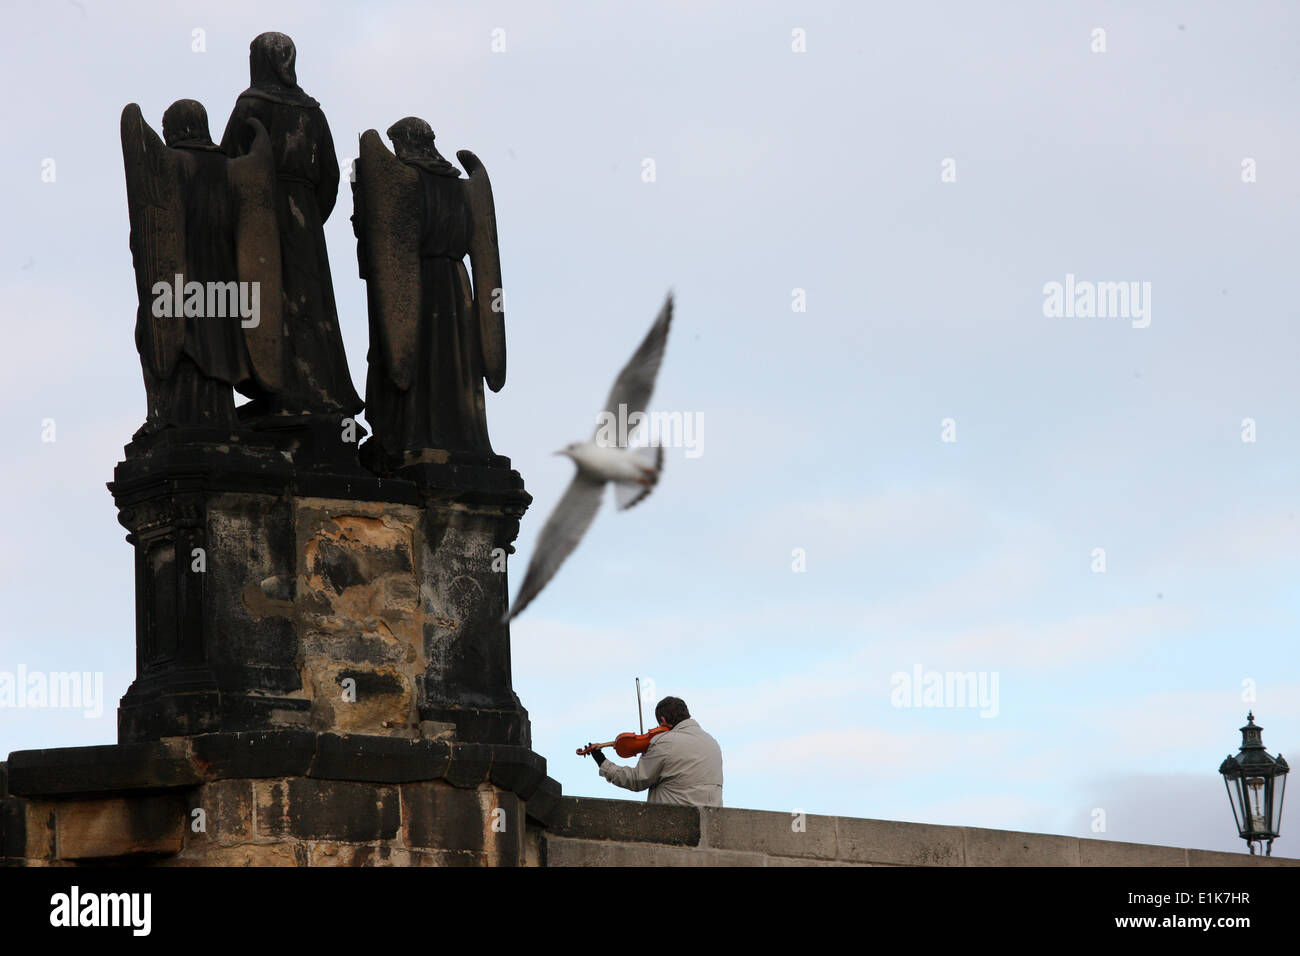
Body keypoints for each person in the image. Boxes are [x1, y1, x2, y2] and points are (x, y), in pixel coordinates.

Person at [586, 697, 723, 806]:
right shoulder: (712, 742)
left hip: (674, 822)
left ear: (663, 720)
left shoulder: (665, 742)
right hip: (710, 823)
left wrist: (602, 762)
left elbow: (636, 780)